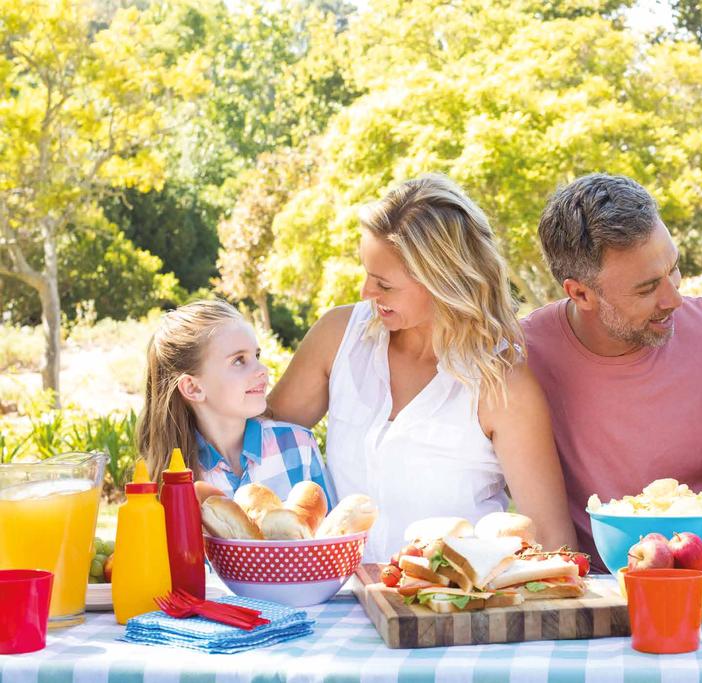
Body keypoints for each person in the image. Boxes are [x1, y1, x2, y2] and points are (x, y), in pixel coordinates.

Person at [267, 174, 578, 563]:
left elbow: (553, 541)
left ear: (443, 281)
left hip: (451, 609)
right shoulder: (339, 337)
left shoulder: (503, 385)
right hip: (336, 600)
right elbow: (259, 444)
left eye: (384, 283)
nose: (366, 292)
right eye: (366, 273)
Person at [522, 173, 702, 569]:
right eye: (646, 289)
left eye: (674, 269)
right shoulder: (523, 358)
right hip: (590, 591)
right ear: (580, 293)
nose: (674, 298)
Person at [137, 300, 336, 506]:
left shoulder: (298, 445)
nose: (262, 370)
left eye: (256, 355)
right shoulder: (173, 482)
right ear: (193, 388)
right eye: (239, 360)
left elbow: (333, 535)